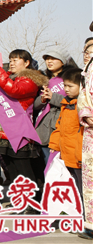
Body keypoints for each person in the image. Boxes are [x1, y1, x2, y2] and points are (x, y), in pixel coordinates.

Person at [0, 50, 48, 199]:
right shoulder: (8, 78)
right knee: (11, 168)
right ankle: (21, 199)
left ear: (26, 63)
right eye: (10, 60)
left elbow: (14, 91)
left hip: (19, 131)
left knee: (24, 169)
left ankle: (33, 201)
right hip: (4, 130)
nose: (11, 63)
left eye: (16, 60)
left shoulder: (30, 80)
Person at [34, 48, 77, 164]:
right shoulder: (45, 80)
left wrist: (53, 97)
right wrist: (43, 99)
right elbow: (36, 105)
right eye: (47, 59)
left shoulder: (72, 78)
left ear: (63, 61)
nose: (49, 61)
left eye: (53, 58)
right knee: (48, 164)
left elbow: (75, 101)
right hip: (44, 126)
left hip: (61, 125)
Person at [49, 68, 84, 199]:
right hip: (67, 154)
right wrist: (54, 144)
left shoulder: (83, 106)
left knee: (82, 188)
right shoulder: (66, 103)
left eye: (70, 86)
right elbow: (60, 126)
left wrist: (80, 155)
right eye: (65, 85)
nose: (66, 89)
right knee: (74, 186)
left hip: (79, 156)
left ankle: (86, 216)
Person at [78, 32, 93, 240]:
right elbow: (84, 97)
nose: (88, 54)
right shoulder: (87, 72)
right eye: (87, 51)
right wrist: (87, 115)